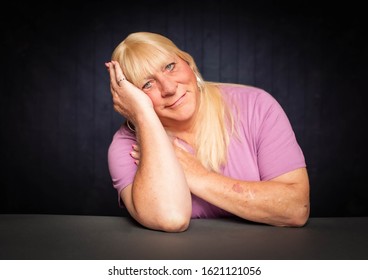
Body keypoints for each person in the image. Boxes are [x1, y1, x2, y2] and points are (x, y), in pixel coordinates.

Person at [105, 31, 310, 233]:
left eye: (170, 66)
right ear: (132, 99)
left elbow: (295, 209)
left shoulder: (256, 106)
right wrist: (142, 115)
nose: (168, 88)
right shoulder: (126, 147)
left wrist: (197, 176)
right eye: (147, 84)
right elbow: (171, 218)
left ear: (189, 64)